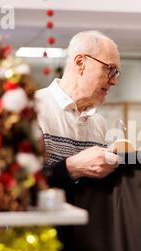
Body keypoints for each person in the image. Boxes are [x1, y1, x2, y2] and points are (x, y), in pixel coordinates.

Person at [36, 31, 121, 186]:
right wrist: (72, 167)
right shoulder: (34, 108)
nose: (114, 81)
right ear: (81, 63)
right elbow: (20, 183)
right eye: (110, 69)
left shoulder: (99, 123)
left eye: (116, 73)